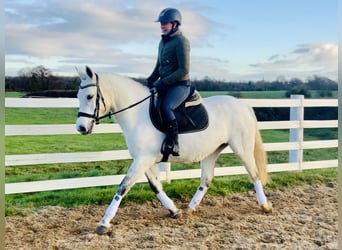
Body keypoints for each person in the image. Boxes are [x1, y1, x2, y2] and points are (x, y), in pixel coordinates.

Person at [147, 8, 191, 157]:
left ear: (175, 24)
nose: (162, 26)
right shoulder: (162, 41)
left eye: (165, 23)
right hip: (166, 84)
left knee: (166, 107)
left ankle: (174, 142)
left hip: (180, 85)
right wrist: (151, 79)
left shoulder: (181, 41)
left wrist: (163, 83)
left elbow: (184, 70)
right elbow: (159, 65)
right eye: (161, 23)